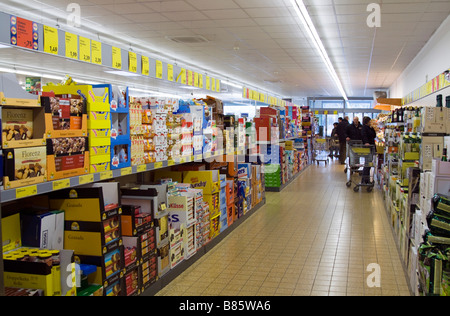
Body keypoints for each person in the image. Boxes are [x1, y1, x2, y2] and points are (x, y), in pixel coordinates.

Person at [361, 116, 376, 184]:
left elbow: (374, 135)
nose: (371, 122)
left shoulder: (369, 128)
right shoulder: (364, 128)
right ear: (367, 121)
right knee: (367, 164)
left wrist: (372, 128)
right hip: (368, 148)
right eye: (370, 121)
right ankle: (364, 180)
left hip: (370, 147)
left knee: (368, 164)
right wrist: (366, 142)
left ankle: (366, 180)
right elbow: (364, 136)